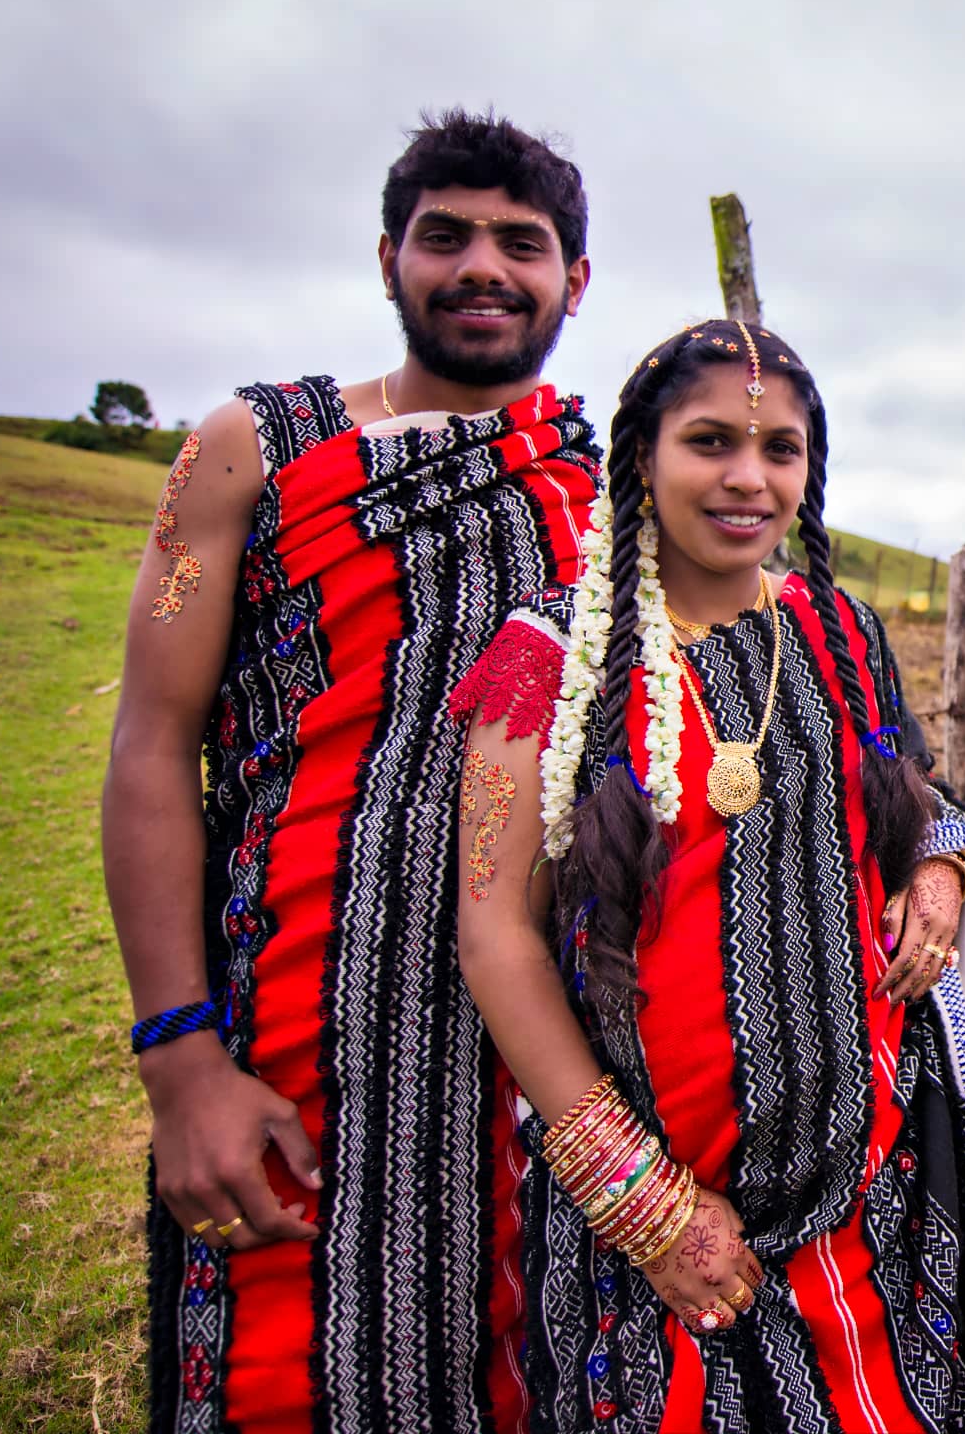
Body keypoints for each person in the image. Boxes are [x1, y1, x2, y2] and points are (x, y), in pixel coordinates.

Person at [450, 319, 965, 1433]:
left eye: (781, 450)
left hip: (875, 1215)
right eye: (710, 441)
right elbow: (495, 935)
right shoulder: (547, 664)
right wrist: (639, 1199)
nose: (748, 478)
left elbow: (909, 793)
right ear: (642, 456)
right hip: (658, 1242)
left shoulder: (841, 633)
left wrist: (942, 866)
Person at [103, 110, 604, 1434]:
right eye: (446, 236)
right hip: (283, 1043)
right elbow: (150, 744)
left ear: (574, 280)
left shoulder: (609, 502)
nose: (482, 266)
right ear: (389, 259)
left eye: (521, 243)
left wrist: (943, 853)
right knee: (274, 1379)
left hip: (525, 1061)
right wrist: (178, 1060)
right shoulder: (246, 450)